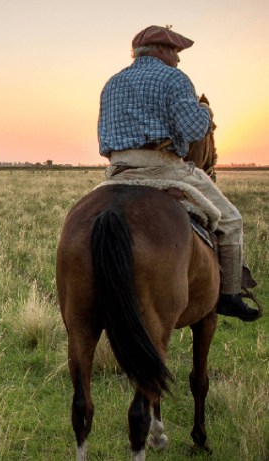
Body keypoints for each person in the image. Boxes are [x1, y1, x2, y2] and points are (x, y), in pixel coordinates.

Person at [98, 25, 259, 321]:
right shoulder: (174, 78)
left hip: (118, 171)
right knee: (232, 220)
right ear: (160, 51)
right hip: (163, 166)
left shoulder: (113, 82)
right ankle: (230, 295)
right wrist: (204, 112)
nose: (178, 59)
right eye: (175, 51)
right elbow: (194, 130)